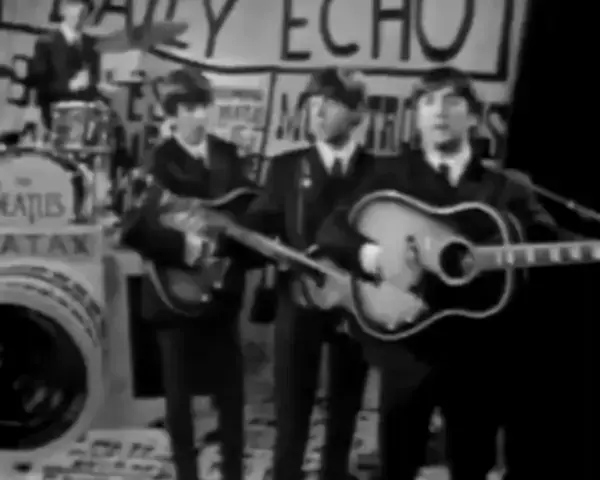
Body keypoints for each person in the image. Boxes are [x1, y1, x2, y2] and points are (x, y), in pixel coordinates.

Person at [315, 66, 568, 480]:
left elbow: (549, 242)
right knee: (397, 468)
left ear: (474, 117)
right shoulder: (387, 175)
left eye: (452, 101)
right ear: (416, 116)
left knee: (472, 467)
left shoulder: (507, 185)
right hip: (406, 350)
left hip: (480, 358)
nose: (439, 111)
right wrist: (375, 257)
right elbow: (331, 231)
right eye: (428, 102)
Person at [228, 67, 375, 480]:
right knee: (292, 405)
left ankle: (335, 472)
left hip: (357, 304)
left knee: (347, 403)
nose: (317, 113)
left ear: (357, 113)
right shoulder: (286, 168)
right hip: (299, 300)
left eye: (330, 104)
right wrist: (238, 237)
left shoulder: (379, 171)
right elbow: (258, 225)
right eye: (312, 105)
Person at [120, 67, 254, 480]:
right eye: (189, 108)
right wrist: (186, 248)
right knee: (178, 398)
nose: (199, 116)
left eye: (202, 107)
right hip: (172, 295)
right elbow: (133, 228)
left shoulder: (229, 155)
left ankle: (233, 472)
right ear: (172, 114)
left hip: (222, 292)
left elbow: (247, 213)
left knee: (231, 394)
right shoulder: (155, 160)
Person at [28, 0, 102, 129]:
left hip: (85, 119)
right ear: (63, 10)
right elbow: (39, 83)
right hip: (55, 117)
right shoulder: (46, 42)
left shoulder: (91, 45)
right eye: (74, 8)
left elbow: (94, 80)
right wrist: (69, 86)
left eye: (83, 11)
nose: (78, 14)